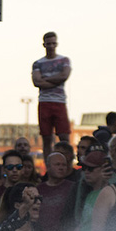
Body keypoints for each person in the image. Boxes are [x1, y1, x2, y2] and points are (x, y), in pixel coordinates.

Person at [32, 32, 72, 162]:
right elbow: (37, 82)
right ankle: (49, 165)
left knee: (64, 136)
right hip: (44, 102)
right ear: (44, 44)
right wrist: (55, 80)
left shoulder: (64, 60)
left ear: (57, 44)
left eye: (53, 43)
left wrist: (46, 79)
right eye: (48, 43)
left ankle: (67, 162)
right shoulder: (38, 63)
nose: (51, 46)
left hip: (59, 101)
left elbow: (64, 76)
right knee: (46, 137)